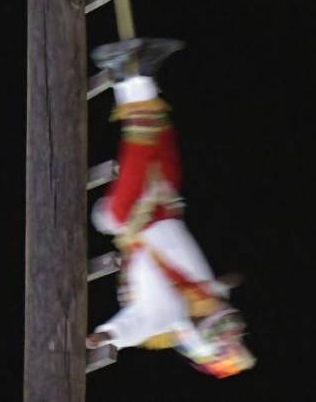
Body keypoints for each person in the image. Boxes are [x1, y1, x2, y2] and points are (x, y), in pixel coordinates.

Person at [84, 37, 256, 379]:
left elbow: (137, 324)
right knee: (165, 153)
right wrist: (229, 282)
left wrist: (107, 335)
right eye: (236, 336)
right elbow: (215, 287)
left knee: (143, 137)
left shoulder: (169, 313)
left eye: (227, 339)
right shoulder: (203, 296)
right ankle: (140, 74)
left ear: (203, 336)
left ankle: (123, 70)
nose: (233, 330)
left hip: (131, 216)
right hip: (162, 207)